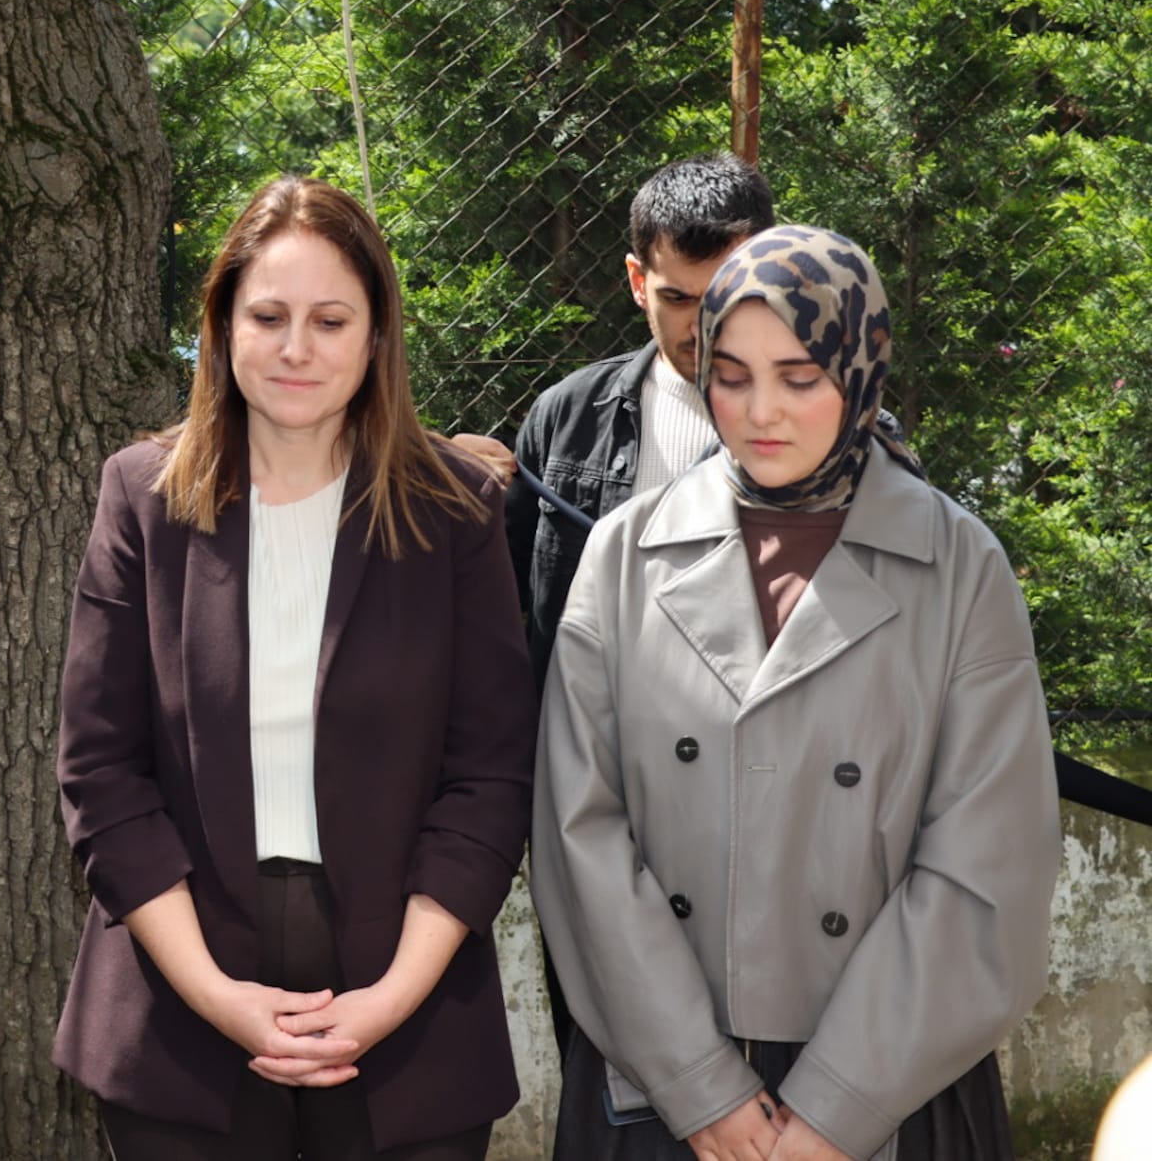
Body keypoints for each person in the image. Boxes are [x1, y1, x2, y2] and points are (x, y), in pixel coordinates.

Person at [531, 225, 1060, 1161]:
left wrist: (833, 1112)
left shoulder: (960, 566)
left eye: (801, 377)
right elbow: (581, 838)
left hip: (892, 1088)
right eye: (730, 375)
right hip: (658, 1086)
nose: (759, 410)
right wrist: (702, 1091)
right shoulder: (621, 552)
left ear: (860, 372)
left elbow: (987, 866)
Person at [53, 175, 538, 1160]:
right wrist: (216, 996)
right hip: (180, 1012)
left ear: (375, 336)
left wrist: (388, 998)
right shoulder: (140, 497)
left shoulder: (454, 510)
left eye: (329, 318)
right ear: (221, 325)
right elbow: (100, 770)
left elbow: (488, 775)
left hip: (406, 1014)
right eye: (266, 315)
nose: (294, 347)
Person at [503, 153, 775, 691]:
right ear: (637, 281)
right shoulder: (567, 416)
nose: (704, 326)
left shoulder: (841, 428)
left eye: (727, 295)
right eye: (677, 298)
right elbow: (491, 609)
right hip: (582, 751)